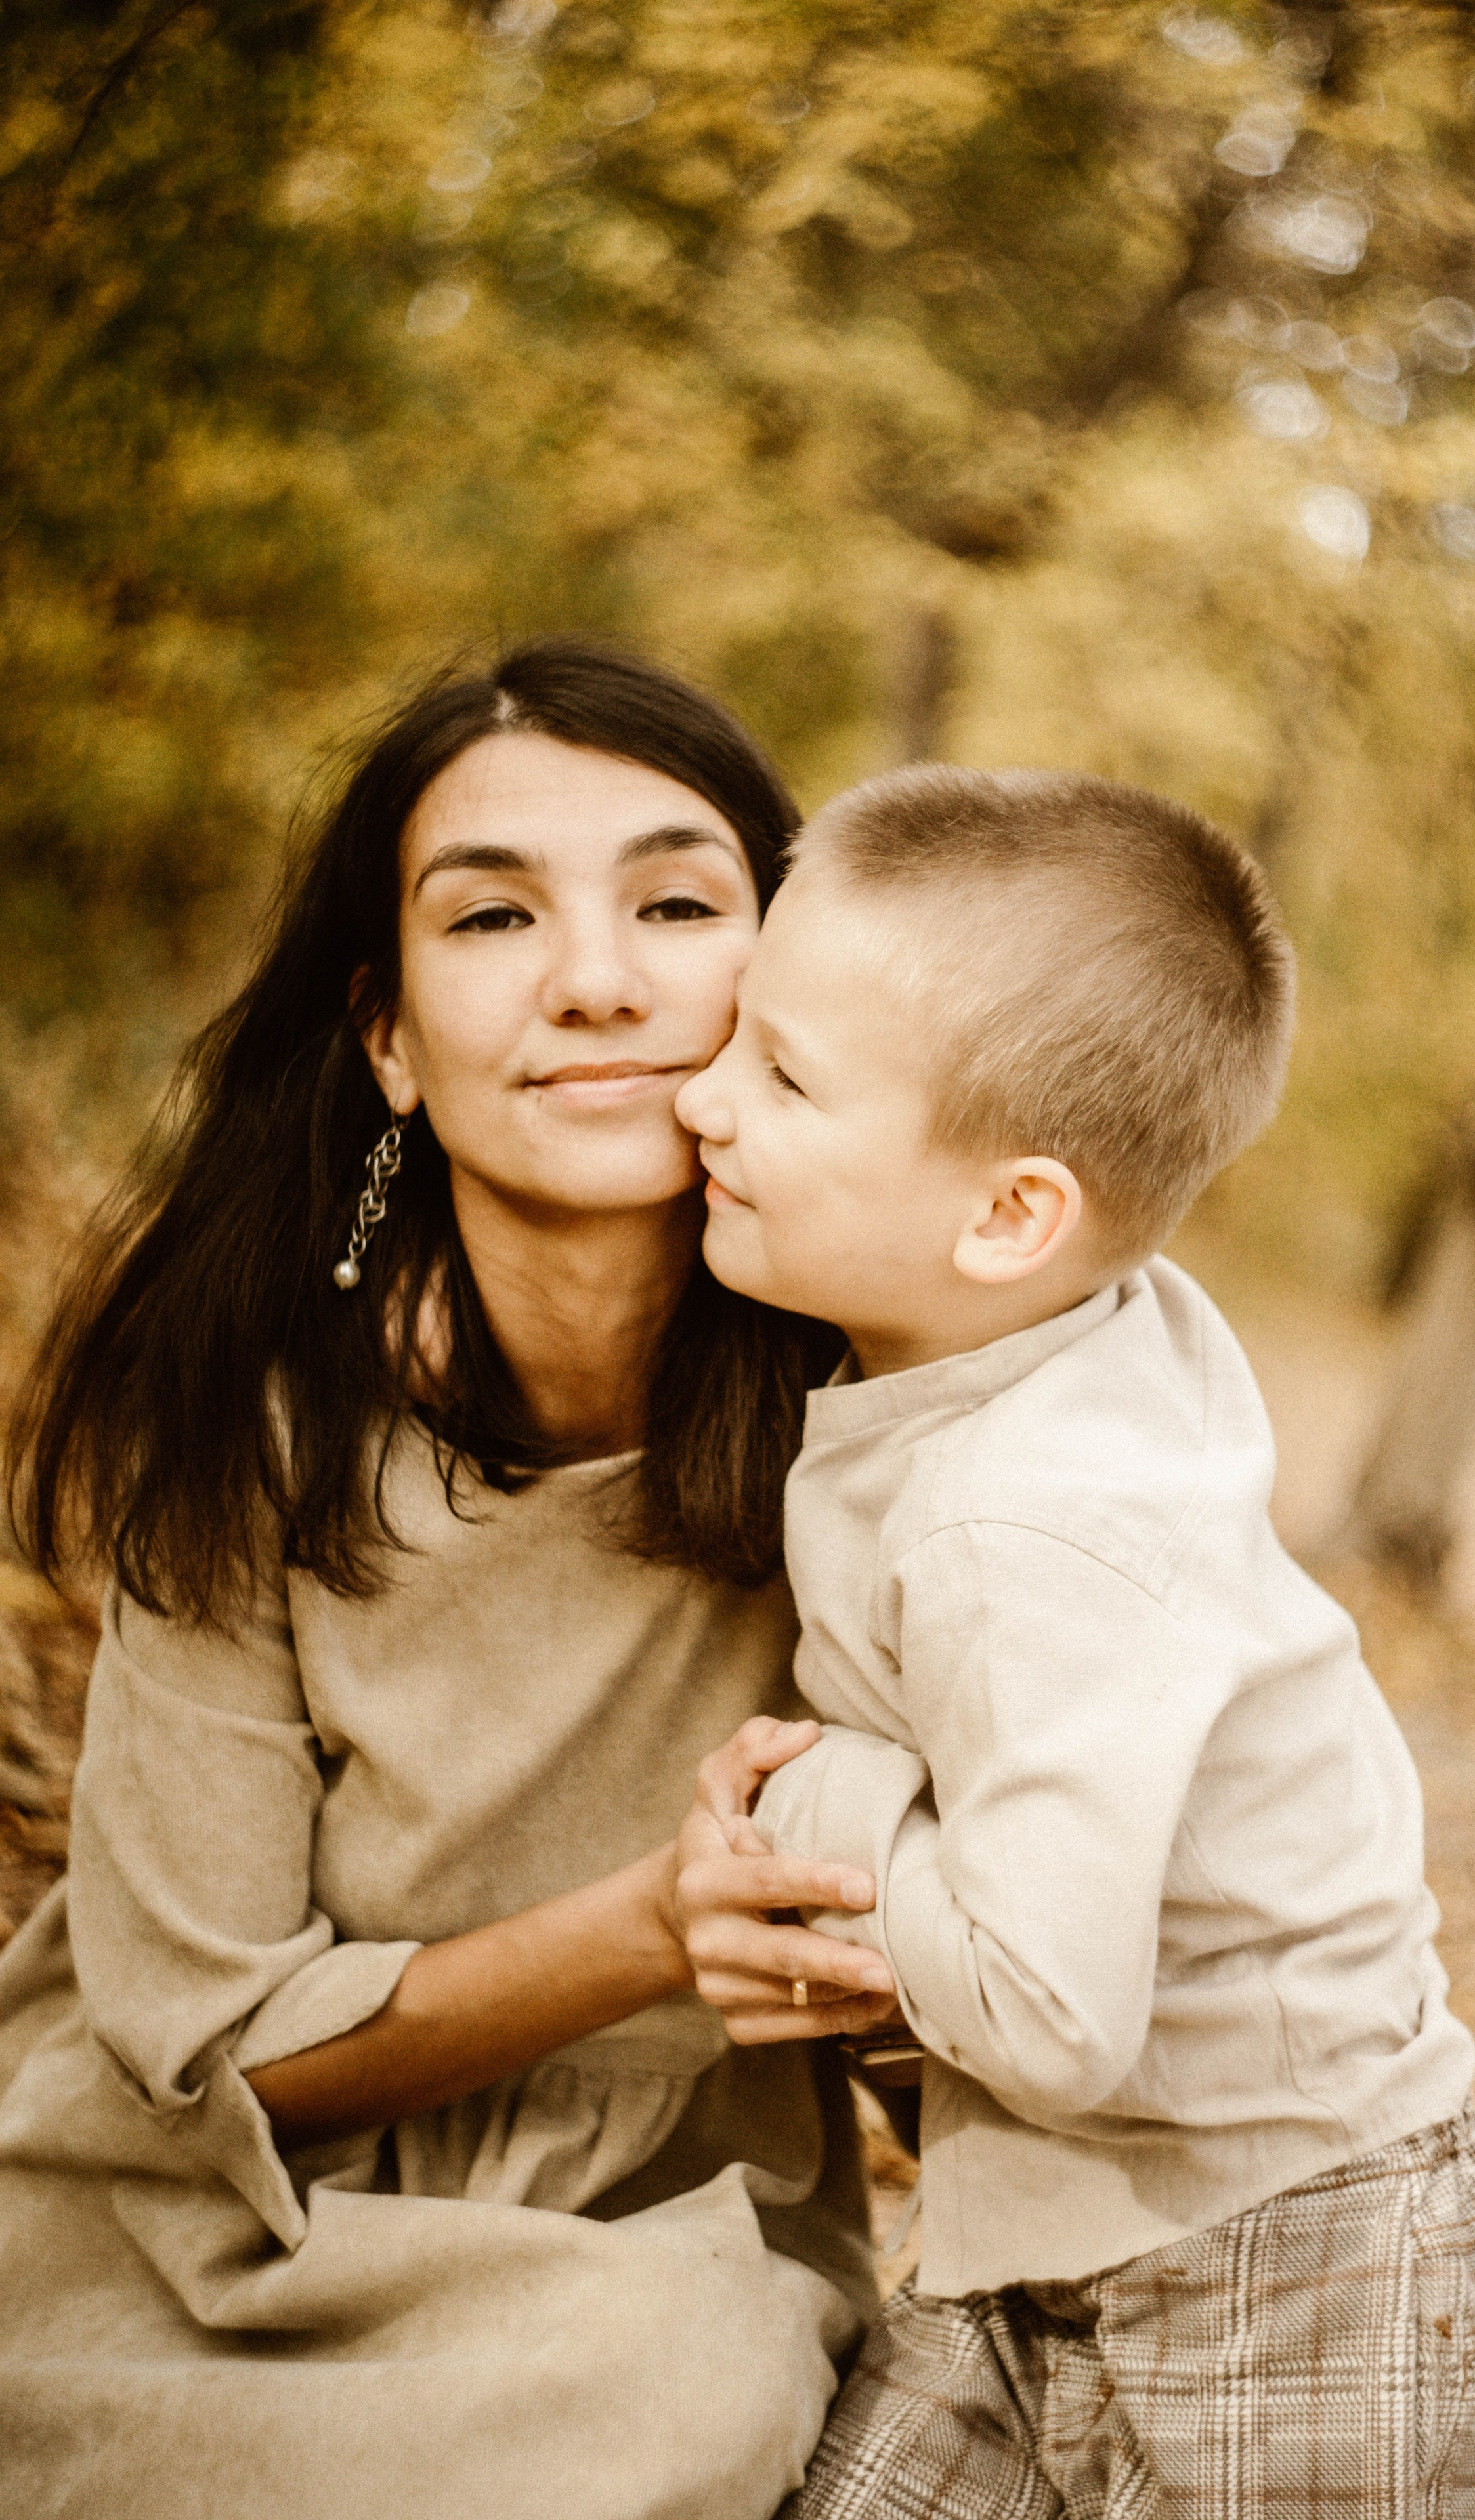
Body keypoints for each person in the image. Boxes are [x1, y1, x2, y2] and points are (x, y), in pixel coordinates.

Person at [0, 639, 902, 2520]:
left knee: (668, 2387)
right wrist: (653, 1930)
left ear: (789, 977)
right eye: (493, 917)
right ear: (391, 1040)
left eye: (676, 904)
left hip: (646, 2261)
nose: (595, 981)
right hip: (189, 2222)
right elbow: (208, 2055)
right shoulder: (245, 1418)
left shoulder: (901, 1407)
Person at [672, 765, 1475, 2519]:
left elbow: (1054, 2011)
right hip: (1042, 2225)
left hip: (1301, 2256)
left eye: (783, 1076)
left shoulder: (1033, 1517)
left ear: (1012, 1217)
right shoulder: (1065, 1328)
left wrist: (827, 1805)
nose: (701, 1097)